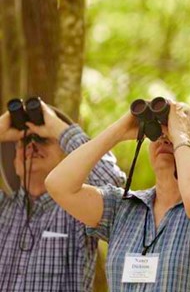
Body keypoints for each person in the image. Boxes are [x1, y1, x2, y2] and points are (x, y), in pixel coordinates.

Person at [45, 100, 190, 292]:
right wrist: (119, 131)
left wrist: (179, 132)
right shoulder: (122, 208)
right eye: (159, 132)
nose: (165, 137)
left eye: (171, 132)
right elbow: (59, 185)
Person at [0, 101, 125, 291]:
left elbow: (112, 181)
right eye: (24, 141)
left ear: (66, 157)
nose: (32, 146)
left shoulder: (78, 209)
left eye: (43, 140)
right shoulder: (2, 206)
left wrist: (59, 129)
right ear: (15, 161)